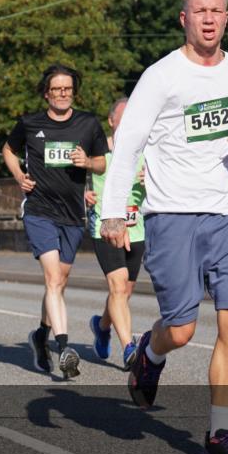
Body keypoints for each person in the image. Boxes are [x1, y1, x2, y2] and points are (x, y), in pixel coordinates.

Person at [101, 0, 228, 454]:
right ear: (183, 19)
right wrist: (113, 211)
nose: (209, 19)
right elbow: (127, 146)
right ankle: (150, 352)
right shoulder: (162, 77)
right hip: (172, 215)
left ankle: (220, 432)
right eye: (199, 11)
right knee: (183, 329)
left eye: (217, 11)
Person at [2, 64, 108, 379]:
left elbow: (102, 163)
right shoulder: (30, 123)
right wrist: (20, 176)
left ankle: (40, 335)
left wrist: (88, 161)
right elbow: (8, 150)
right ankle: (63, 348)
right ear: (46, 93)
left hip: (73, 215)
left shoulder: (88, 123)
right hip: (39, 211)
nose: (62, 94)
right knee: (52, 280)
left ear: (73, 91)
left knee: (59, 282)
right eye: (56, 89)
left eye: (67, 89)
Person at [84, 97, 145, 370]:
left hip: (137, 227)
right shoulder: (98, 153)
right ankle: (129, 347)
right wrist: (81, 194)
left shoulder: (147, 149)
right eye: (123, 116)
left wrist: (154, 178)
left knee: (124, 292)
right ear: (111, 121)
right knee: (118, 287)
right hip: (105, 227)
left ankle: (102, 325)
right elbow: (74, 176)